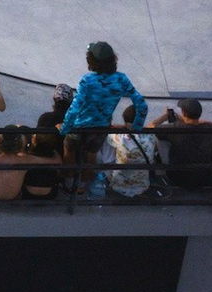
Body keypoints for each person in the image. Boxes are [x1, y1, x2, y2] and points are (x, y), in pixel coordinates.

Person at [59, 40, 146, 195]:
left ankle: (69, 183)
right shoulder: (121, 79)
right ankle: (82, 186)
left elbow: (74, 108)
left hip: (79, 126)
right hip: (101, 126)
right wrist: (137, 126)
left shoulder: (87, 80)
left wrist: (65, 127)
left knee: (69, 150)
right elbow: (142, 105)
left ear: (91, 61)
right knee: (92, 154)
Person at [152, 98, 212, 190]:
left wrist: (165, 116)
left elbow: (150, 128)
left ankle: (161, 164)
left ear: (184, 113)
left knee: (160, 139)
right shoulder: (209, 128)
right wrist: (186, 119)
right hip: (203, 176)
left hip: (177, 177)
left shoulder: (174, 128)